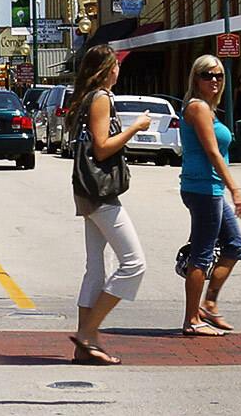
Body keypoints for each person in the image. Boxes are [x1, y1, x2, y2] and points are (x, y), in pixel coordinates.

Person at [66, 43, 149, 366]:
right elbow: (101, 149)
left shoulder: (89, 99)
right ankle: (89, 332)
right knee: (134, 262)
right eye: (116, 65)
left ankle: (84, 346)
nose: (119, 70)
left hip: (89, 191)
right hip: (100, 193)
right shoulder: (100, 99)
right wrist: (134, 129)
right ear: (106, 69)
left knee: (95, 270)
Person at [178, 53, 241, 337]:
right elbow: (212, 152)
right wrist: (236, 190)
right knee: (202, 254)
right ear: (196, 79)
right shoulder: (197, 108)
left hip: (211, 189)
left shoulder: (207, 108)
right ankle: (192, 320)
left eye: (219, 75)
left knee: (234, 246)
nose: (215, 80)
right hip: (204, 189)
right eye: (208, 75)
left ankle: (208, 304)